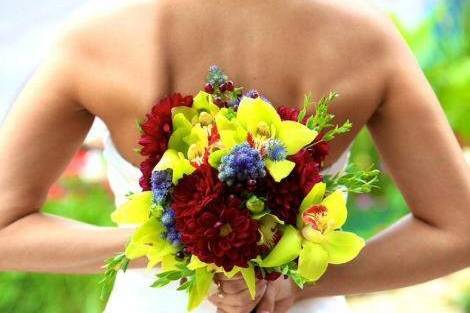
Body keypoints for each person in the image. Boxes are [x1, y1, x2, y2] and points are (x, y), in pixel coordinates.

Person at [1, 0, 469, 312]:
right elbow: (458, 232)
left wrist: (167, 251)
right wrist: (290, 282)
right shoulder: (366, 40)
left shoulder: (95, 42)